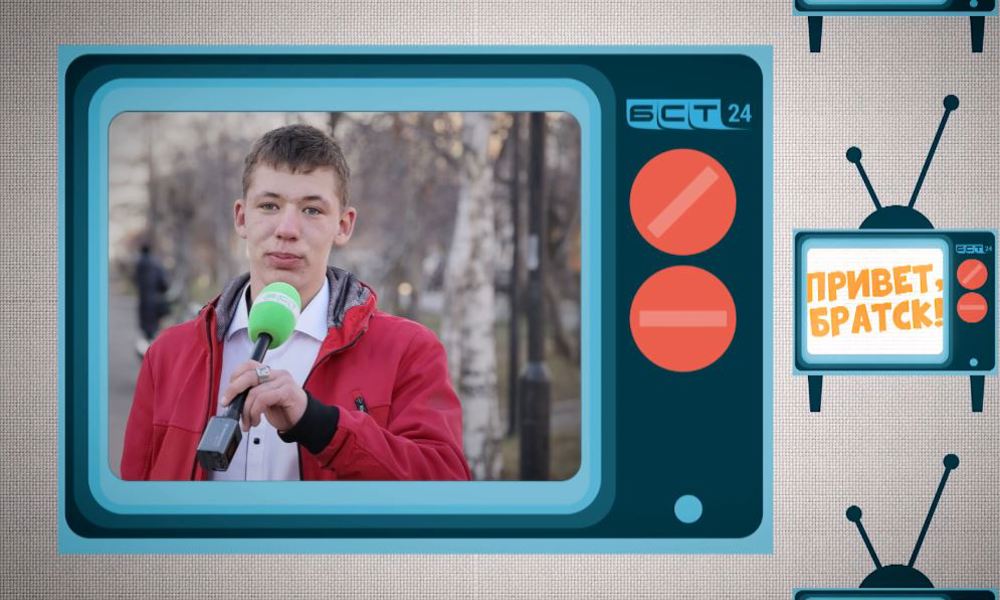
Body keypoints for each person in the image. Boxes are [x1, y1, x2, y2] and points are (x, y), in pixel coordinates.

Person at [121, 124, 471, 481]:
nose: (287, 229)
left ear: (343, 225)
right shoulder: (167, 355)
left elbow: (445, 485)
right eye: (269, 206)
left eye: (312, 210)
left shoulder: (408, 350)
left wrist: (317, 423)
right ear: (241, 218)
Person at [134, 243, 169, 342]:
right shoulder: (155, 263)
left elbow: (135, 279)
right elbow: (163, 282)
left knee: (145, 319)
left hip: (143, 296)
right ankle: (153, 339)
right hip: (154, 296)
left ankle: (147, 336)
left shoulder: (139, 263)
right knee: (153, 321)